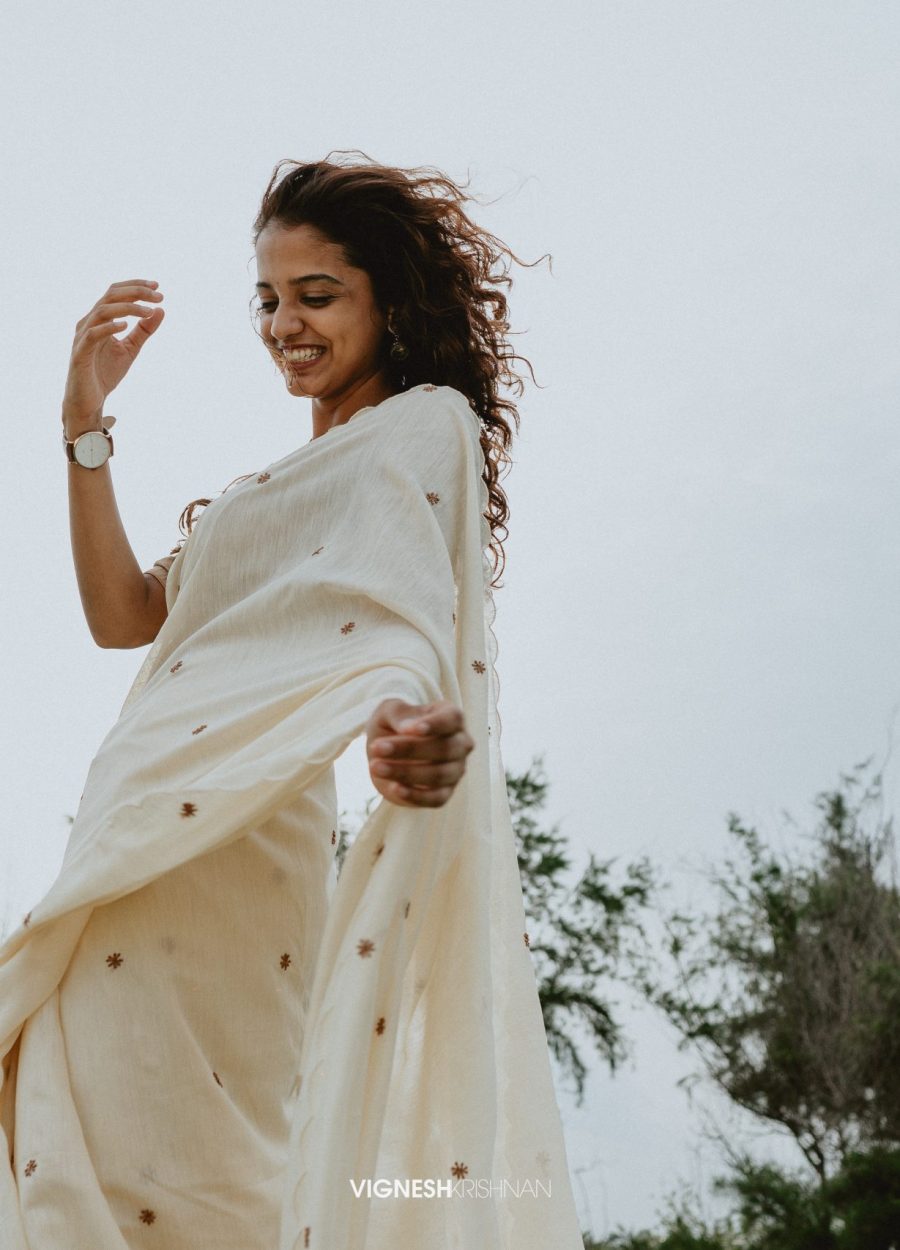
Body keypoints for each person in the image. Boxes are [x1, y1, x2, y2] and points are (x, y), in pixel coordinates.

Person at [0, 155, 585, 1249]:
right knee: (68, 1150)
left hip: (239, 846)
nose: (283, 324)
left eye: (317, 295)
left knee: (210, 1179)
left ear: (391, 299)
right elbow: (124, 614)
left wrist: (410, 722)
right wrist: (82, 422)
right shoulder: (271, 492)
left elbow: (397, 619)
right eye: (268, 299)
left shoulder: (422, 429)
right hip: (131, 836)